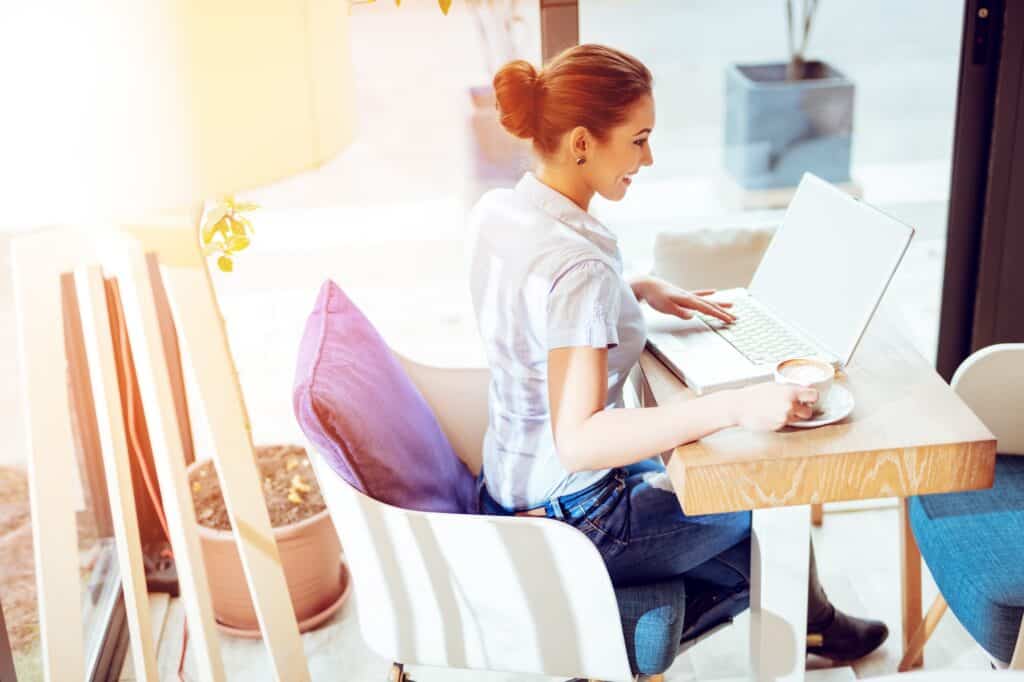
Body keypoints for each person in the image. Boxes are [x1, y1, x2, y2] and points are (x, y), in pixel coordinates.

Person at [465, 43, 888, 669]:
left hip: (509, 481)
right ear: (582, 142)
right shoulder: (577, 270)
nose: (648, 157)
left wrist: (634, 290)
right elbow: (581, 440)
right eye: (638, 140)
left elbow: (537, 313)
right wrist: (738, 404)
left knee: (736, 507)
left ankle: (810, 622)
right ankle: (776, 625)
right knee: (770, 507)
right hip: (580, 519)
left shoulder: (503, 210)